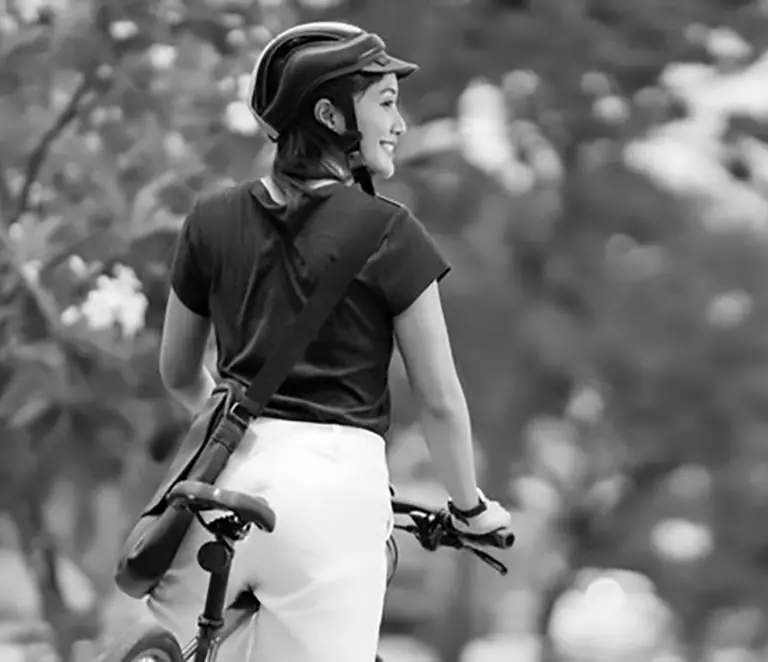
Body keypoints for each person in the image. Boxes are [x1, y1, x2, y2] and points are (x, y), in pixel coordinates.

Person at [151, 21, 512, 661]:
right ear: (330, 114)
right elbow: (439, 400)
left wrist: (239, 436)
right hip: (333, 499)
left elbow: (179, 372)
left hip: (222, 481)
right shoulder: (391, 233)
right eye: (385, 103)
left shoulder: (209, 219)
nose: (399, 123)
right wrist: (469, 508)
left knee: (175, 643)